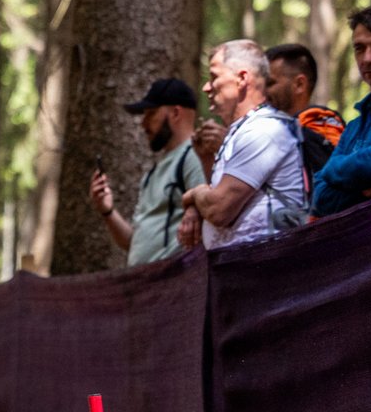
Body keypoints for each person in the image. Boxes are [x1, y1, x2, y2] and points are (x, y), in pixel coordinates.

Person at [179, 40, 306, 251]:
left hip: (267, 263)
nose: (206, 87)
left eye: (214, 77)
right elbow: (218, 196)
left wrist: (193, 194)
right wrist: (206, 162)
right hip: (242, 265)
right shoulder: (244, 130)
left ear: (242, 79)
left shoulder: (265, 129)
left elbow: (219, 209)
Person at [87, 78, 207, 265]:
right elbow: (134, 243)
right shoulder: (153, 173)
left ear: (176, 113)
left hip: (174, 276)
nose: (143, 124)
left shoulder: (194, 157)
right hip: (145, 278)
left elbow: (207, 218)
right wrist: (108, 211)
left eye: (151, 113)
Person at [311, 7, 371, 216]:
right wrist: (362, 192)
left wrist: (335, 169)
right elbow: (318, 196)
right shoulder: (355, 126)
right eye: (359, 48)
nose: (367, 58)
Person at [264, 42, 344, 189]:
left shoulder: (308, 132)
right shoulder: (330, 124)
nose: (263, 92)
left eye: (270, 83)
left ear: (300, 84)